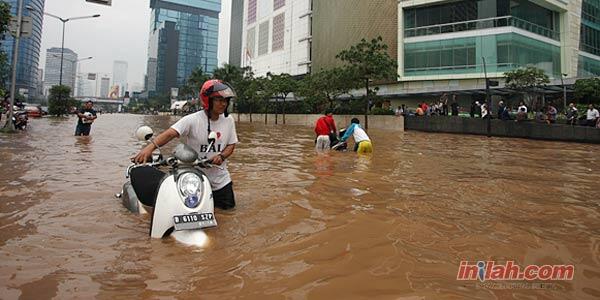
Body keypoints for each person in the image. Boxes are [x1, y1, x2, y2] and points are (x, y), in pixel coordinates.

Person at [133, 79, 238, 210]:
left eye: (226, 100)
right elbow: (170, 133)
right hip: (195, 180)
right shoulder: (192, 120)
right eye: (219, 100)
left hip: (221, 180)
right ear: (208, 100)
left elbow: (231, 145)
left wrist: (221, 156)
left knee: (229, 215)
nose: (223, 104)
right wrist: (149, 148)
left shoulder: (229, 120)